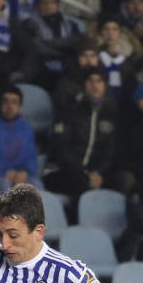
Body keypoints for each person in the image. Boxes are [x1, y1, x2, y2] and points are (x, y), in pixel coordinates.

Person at [49, 68, 121, 198]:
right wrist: (84, 173)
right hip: (69, 172)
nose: (94, 85)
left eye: (99, 81)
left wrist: (98, 173)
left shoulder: (110, 114)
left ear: (105, 86)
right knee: (83, 185)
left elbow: (110, 151)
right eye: (90, 81)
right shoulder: (70, 111)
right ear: (84, 85)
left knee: (120, 185)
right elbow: (62, 148)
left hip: (97, 173)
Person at [19, 0, 84, 89]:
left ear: (57, 4)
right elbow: (38, 48)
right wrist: (65, 49)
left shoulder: (70, 24)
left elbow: (77, 43)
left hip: (66, 72)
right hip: (39, 72)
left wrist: (47, 43)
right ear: (38, 4)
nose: (48, 5)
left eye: (52, 1)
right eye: (43, 2)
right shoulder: (29, 24)